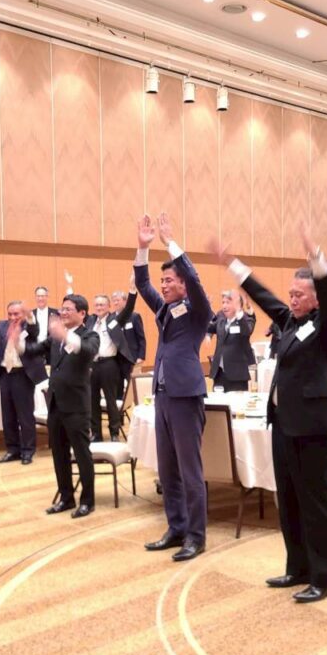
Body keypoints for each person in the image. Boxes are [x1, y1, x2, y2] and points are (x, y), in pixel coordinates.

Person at [210, 224, 327, 603]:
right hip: (283, 424)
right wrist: (232, 264)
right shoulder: (289, 321)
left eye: (300, 295)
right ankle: (298, 567)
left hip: (311, 428)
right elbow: (262, 295)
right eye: (292, 294)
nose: (293, 299)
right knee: (288, 499)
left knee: (316, 503)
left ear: (316, 299)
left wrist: (318, 260)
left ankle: (325, 577)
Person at [135, 213, 212, 562]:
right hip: (164, 397)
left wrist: (170, 244)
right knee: (167, 470)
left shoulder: (198, 311)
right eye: (163, 280)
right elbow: (142, 284)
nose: (163, 285)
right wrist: (143, 247)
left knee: (190, 471)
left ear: (182, 284)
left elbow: (194, 278)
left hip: (186, 396)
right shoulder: (165, 310)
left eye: (169, 280)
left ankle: (196, 536)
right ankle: (176, 528)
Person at [25, 295, 99, 517]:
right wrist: (16, 343)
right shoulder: (56, 338)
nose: (63, 313)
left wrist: (66, 336)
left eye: (68, 309)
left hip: (76, 406)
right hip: (56, 404)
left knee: (82, 454)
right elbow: (34, 350)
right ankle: (66, 498)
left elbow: (88, 351)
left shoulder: (89, 335)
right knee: (59, 454)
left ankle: (88, 501)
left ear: (82, 313)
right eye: (62, 309)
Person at [0, 301, 47, 465]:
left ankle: (27, 451)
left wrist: (30, 316)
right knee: (8, 416)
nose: (12, 317)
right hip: (5, 374)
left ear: (23, 314)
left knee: (25, 416)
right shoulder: (2, 325)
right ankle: (13, 450)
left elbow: (34, 330)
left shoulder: (29, 325)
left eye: (16, 314)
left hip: (23, 375)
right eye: (10, 314)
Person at [85, 284, 138, 441]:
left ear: (108, 306)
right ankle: (96, 433)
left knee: (111, 400)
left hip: (109, 365)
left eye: (102, 305)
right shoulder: (90, 321)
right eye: (97, 305)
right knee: (92, 400)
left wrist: (132, 291)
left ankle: (114, 432)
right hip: (92, 365)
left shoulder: (115, 320)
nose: (99, 307)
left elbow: (128, 309)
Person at [207, 290, 256, 391]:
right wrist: (205, 309)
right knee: (218, 401)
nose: (224, 306)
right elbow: (207, 327)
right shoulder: (221, 320)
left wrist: (239, 313)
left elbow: (247, 331)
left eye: (228, 302)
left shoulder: (245, 320)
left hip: (237, 375)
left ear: (238, 305)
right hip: (219, 374)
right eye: (223, 302)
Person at [113, 289, 146, 390]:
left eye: (117, 300)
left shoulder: (134, 316)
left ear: (125, 301)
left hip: (132, 358)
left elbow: (141, 338)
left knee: (133, 387)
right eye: (114, 300)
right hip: (116, 359)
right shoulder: (111, 318)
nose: (115, 303)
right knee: (117, 387)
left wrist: (141, 356)